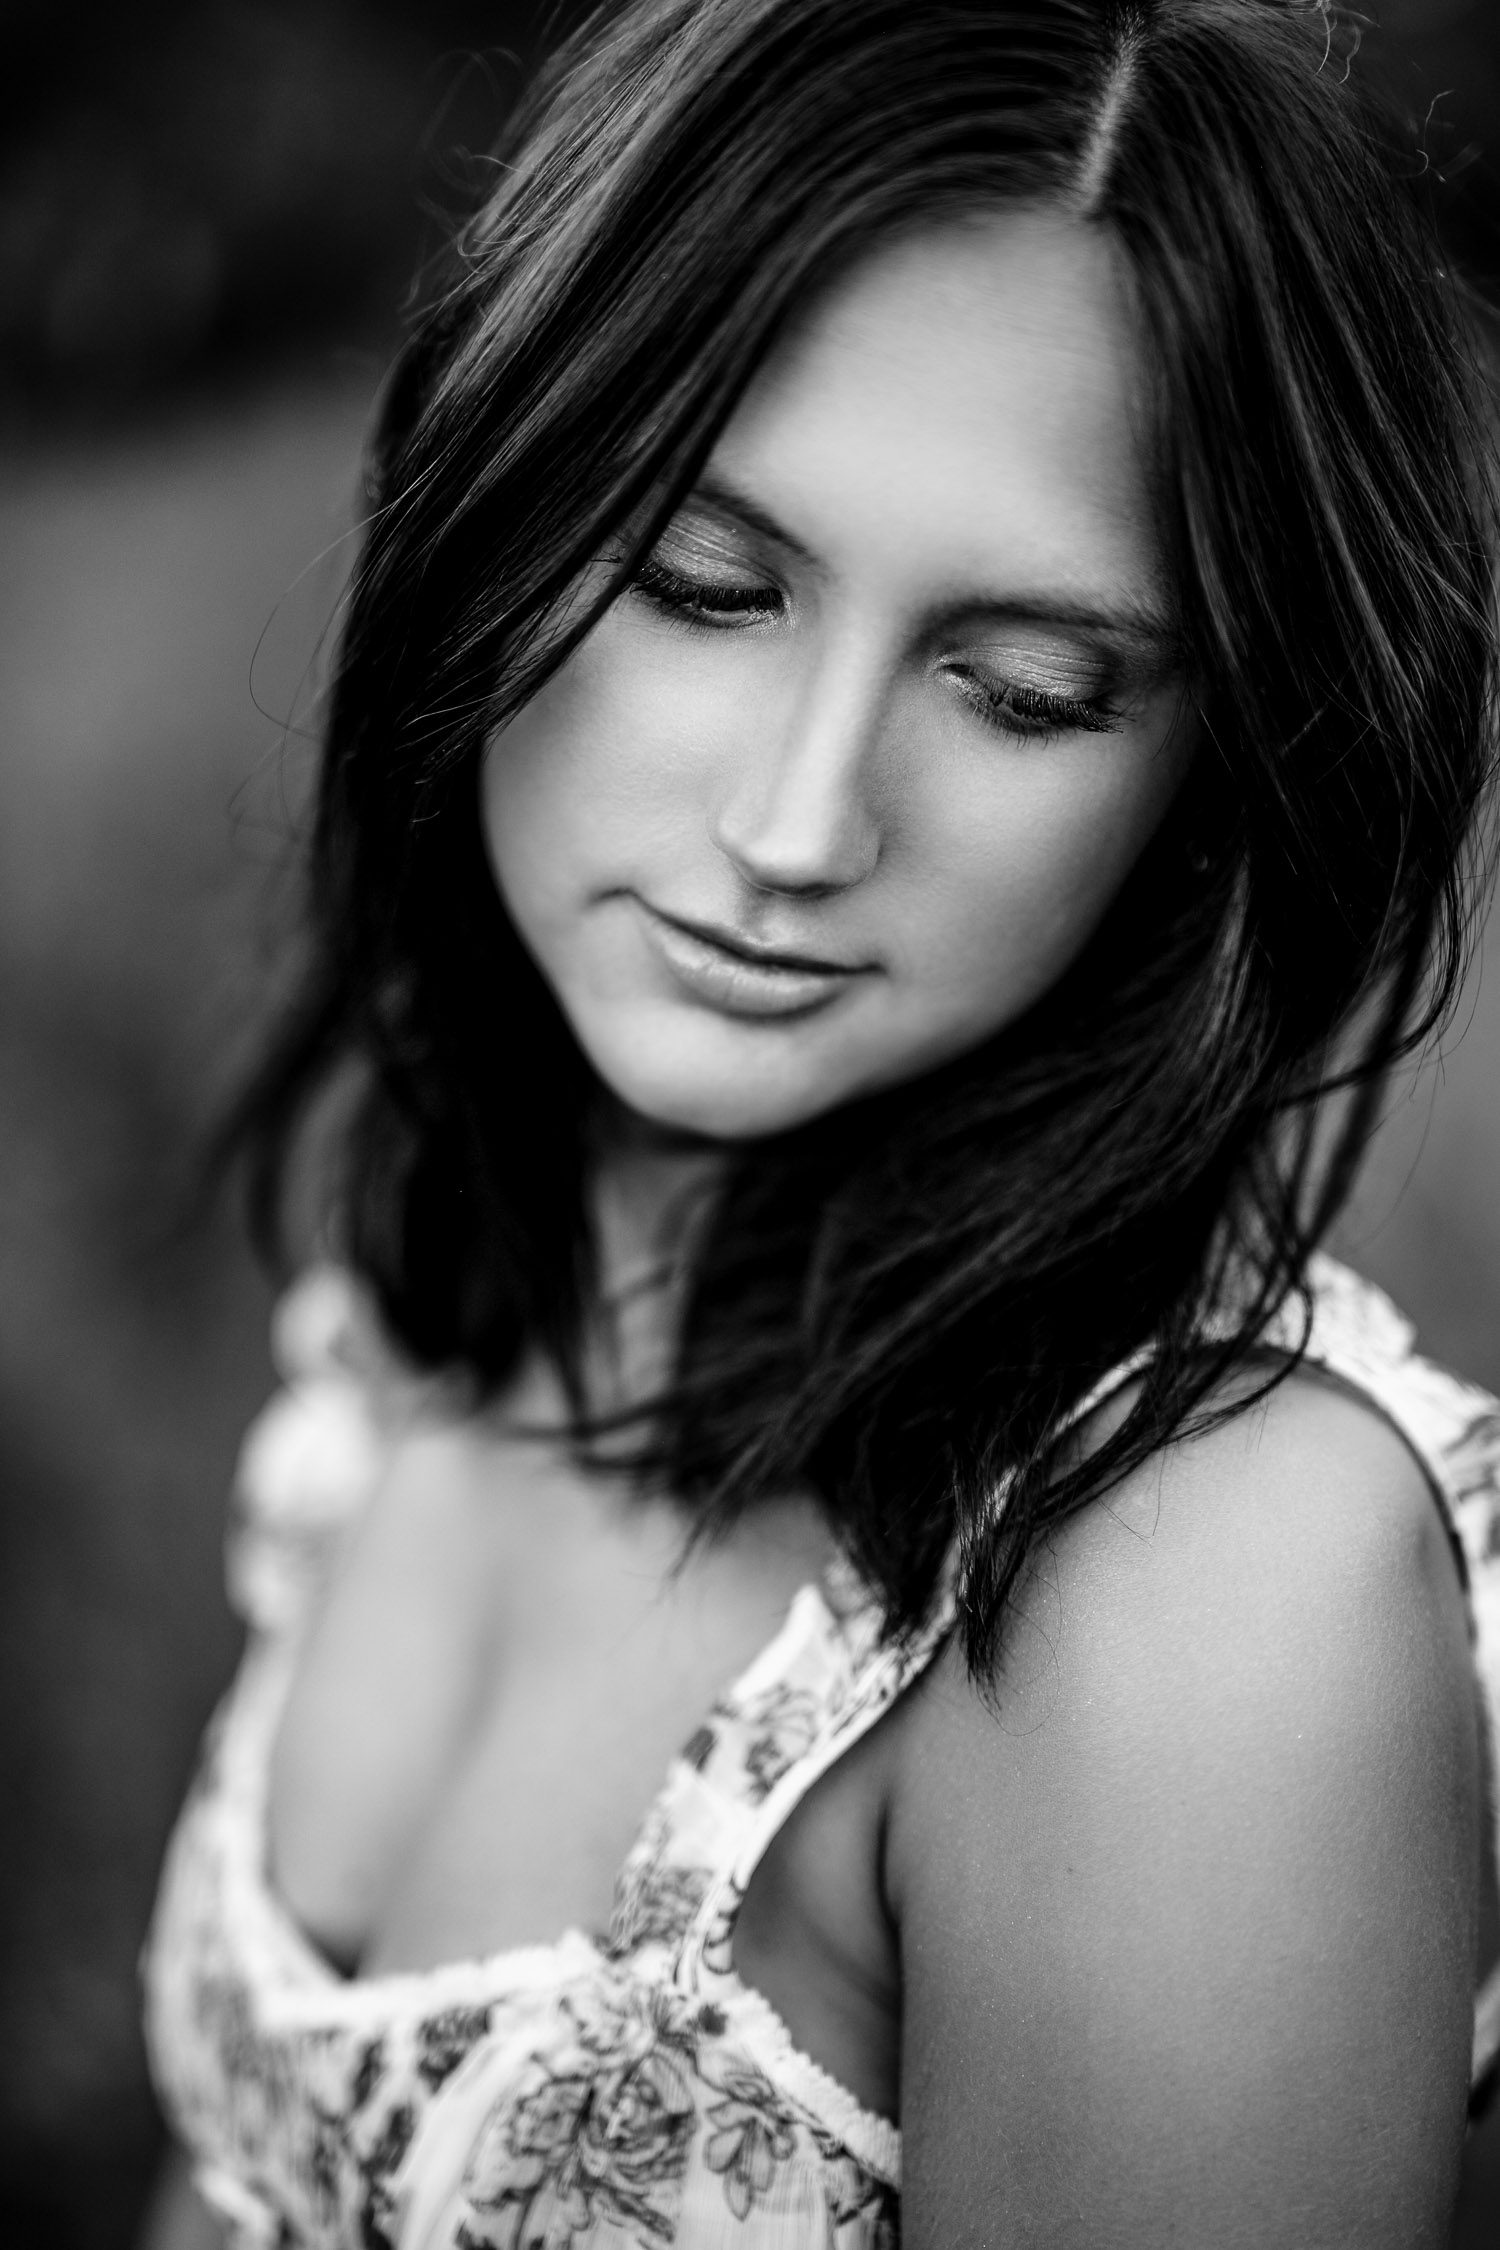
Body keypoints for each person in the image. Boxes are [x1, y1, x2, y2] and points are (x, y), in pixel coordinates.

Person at [139, 1, 1500, 2244]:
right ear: (488, 508)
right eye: (702, 583)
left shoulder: (1188, 1592)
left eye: (1024, 689)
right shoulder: (446, 1320)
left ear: (1209, 771)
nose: (795, 822)